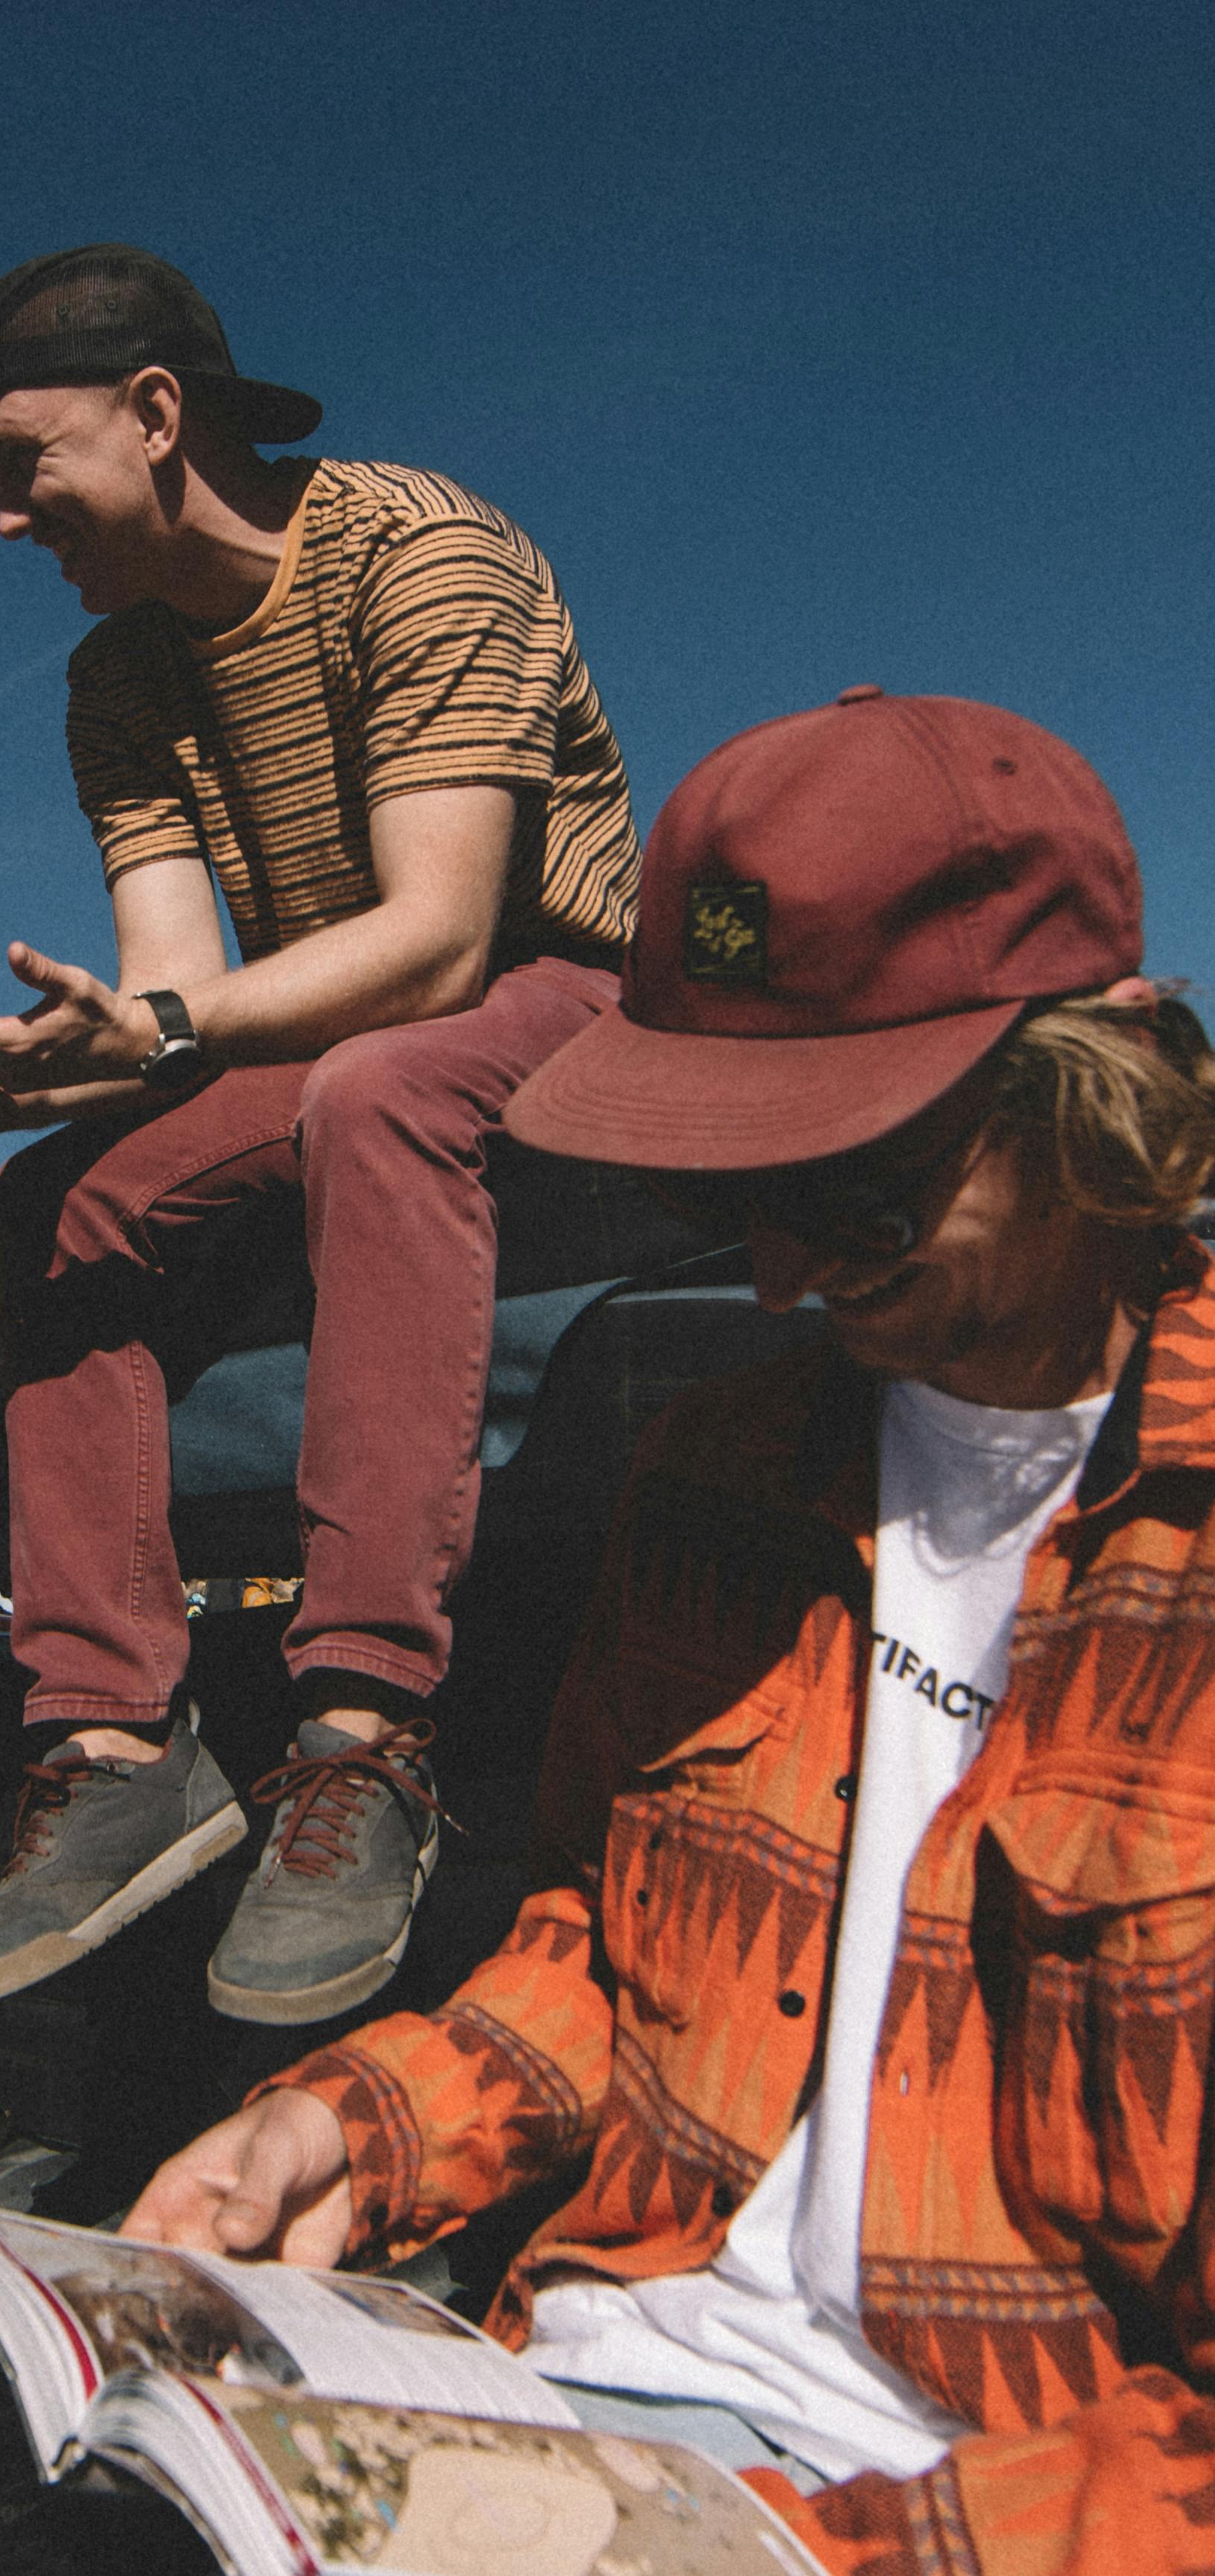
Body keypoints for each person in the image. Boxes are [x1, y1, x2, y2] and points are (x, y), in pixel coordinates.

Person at [123, 687, 1215, 2570]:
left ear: (1103, 1084)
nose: (781, 1267)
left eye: (858, 1176)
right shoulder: (715, 1461)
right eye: (738, 1180)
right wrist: (341, 2129)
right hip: (594, 2392)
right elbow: (603, 1965)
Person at [0, 244, 642, 2028]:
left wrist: (168, 1036)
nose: (2, 519)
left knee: (384, 1085)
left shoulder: (423, 549)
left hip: (558, 998)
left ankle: (365, 1725)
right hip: (319, 1027)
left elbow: (444, 940)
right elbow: (171, 996)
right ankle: (114, 1734)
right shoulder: (117, 681)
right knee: (68, 1199)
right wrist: (14, 1076)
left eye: (18, 464)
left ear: (154, 416)